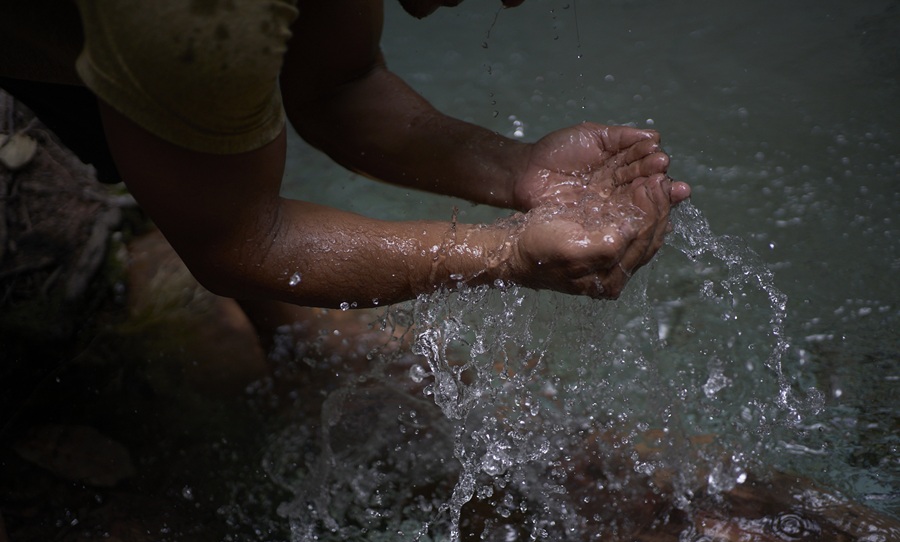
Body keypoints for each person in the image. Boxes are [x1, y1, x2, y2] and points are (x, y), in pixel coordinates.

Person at [1, 0, 690, 346]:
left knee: (172, 130)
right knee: (181, 147)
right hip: (167, 34)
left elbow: (338, 88)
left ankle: (290, 342)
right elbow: (238, 244)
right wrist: (506, 254)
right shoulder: (207, 17)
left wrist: (516, 168)